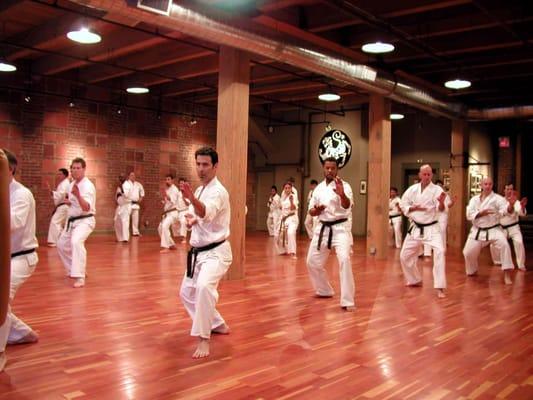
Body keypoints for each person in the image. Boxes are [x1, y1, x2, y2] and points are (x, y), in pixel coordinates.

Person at [179, 147, 232, 359]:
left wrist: (191, 199)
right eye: (198, 164)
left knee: (203, 288)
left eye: (205, 165)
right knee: (186, 293)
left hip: (217, 253)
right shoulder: (201, 190)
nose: (201, 169)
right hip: (199, 253)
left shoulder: (218, 191)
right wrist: (192, 220)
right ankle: (217, 323)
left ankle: (203, 339)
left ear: (215, 166)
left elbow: (205, 212)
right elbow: (198, 216)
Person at [1, 149, 39, 372]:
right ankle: (21, 332)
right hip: (5, 257)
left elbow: (12, 222)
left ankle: (0, 351)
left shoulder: (21, 194)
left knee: (0, 296)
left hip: (22, 258)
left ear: (9, 168)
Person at [306, 157, 355, 311]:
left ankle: (348, 300)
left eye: (332, 168)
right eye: (327, 168)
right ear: (323, 167)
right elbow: (311, 211)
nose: (329, 171)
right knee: (312, 262)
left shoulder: (344, 186)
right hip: (323, 228)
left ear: (337, 169)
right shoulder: (318, 188)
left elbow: (347, 205)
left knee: (344, 260)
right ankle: (324, 290)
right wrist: (317, 210)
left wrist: (341, 195)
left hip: (340, 228)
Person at [399, 164, 447, 298]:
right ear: (419, 175)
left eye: (429, 174)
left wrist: (442, 203)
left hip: (432, 227)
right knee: (404, 256)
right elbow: (403, 205)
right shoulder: (412, 190)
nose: (426, 176)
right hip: (416, 227)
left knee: (440, 252)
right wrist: (414, 209)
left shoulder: (437, 190)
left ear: (432, 175)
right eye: (424, 174)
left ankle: (440, 287)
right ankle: (415, 279)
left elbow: (441, 209)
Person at [463, 177, 516, 285]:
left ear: (492, 185)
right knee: (467, 253)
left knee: (505, 245)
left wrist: (510, 205)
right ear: (481, 186)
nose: (488, 186)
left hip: (494, 229)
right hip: (477, 230)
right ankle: (472, 269)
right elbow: (468, 215)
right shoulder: (474, 199)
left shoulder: (498, 199)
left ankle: (507, 274)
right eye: (485, 184)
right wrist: (481, 213)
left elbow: (506, 211)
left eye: (490, 184)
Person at [57, 158, 96, 288]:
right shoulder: (71, 184)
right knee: (61, 244)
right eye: (73, 168)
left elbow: (86, 208)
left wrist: (78, 196)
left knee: (76, 242)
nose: (75, 170)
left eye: (78, 168)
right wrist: (69, 201)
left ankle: (80, 276)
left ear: (84, 169)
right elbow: (73, 202)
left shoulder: (87, 186)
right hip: (72, 220)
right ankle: (74, 269)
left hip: (85, 220)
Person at [490, 184, 528, 271]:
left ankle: (521, 265)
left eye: (511, 189)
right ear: (504, 190)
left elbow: (521, 213)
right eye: (507, 189)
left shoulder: (517, 202)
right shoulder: (499, 201)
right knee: (493, 244)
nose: (509, 191)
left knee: (519, 242)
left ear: (513, 190)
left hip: (514, 228)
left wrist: (522, 206)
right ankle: (498, 261)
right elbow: (498, 213)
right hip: (501, 228)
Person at [423, 179, 455, 256]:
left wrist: (452, 202)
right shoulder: (430, 194)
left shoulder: (445, 195)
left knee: (441, 232)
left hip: (442, 215)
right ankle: (427, 252)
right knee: (428, 232)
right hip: (432, 215)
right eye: (437, 185)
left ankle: (442, 250)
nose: (439, 186)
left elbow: (447, 206)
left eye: (440, 185)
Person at [46, 168, 70, 247]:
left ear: (64, 175)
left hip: (63, 206)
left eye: (60, 174)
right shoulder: (63, 183)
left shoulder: (65, 183)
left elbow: (61, 194)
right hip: (63, 206)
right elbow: (60, 194)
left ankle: (55, 241)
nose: (58, 176)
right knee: (59, 224)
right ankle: (62, 241)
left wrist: (51, 192)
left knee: (55, 222)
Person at [275, 182, 299, 258]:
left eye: (289, 188)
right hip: (284, 218)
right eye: (286, 188)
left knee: (290, 233)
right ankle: (283, 250)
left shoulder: (293, 196)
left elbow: (293, 208)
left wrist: (291, 202)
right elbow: (281, 207)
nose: (287, 189)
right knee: (277, 235)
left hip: (292, 218)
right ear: (284, 189)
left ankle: (293, 253)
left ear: (291, 189)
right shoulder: (283, 197)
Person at [158, 174, 181, 252]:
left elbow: (172, 200)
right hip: (167, 213)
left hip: (173, 212)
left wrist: (165, 194)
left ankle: (166, 247)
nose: (167, 181)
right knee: (160, 228)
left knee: (164, 226)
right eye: (166, 179)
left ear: (172, 180)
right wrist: (162, 199)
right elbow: (166, 202)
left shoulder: (175, 189)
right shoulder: (168, 189)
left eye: (168, 179)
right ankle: (171, 244)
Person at [123, 172, 144, 236]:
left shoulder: (138, 184)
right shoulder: (126, 184)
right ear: (129, 176)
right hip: (128, 203)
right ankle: (125, 234)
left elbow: (142, 191)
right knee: (126, 219)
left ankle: (135, 232)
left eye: (134, 175)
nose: (133, 176)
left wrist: (141, 197)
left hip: (136, 204)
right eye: (131, 175)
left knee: (135, 219)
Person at [172, 177, 190, 243]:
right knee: (173, 222)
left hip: (186, 211)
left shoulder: (187, 192)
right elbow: (175, 203)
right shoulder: (178, 192)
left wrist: (183, 198)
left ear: (184, 184)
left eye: (182, 183)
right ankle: (179, 236)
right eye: (180, 183)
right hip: (178, 212)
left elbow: (188, 204)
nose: (181, 184)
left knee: (183, 221)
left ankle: (184, 238)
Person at [114, 175, 130, 243]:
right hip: (120, 206)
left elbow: (126, 195)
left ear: (125, 178)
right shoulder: (120, 185)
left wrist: (121, 188)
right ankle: (120, 238)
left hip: (125, 206)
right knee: (116, 221)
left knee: (125, 222)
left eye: (122, 177)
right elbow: (117, 195)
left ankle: (125, 238)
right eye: (119, 177)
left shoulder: (127, 185)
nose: (120, 179)